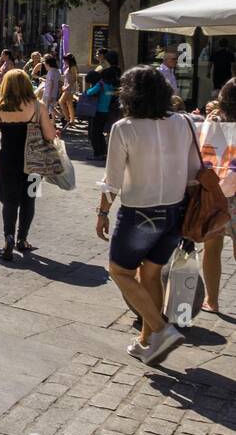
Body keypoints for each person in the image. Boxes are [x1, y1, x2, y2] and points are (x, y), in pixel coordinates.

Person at [97, 66, 198, 364]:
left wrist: (102, 211)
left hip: (139, 212)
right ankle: (148, 342)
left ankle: (162, 329)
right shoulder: (184, 123)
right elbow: (194, 173)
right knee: (150, 273)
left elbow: (112, 180)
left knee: (119, 271)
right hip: (175, 211)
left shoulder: (124, 128)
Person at [0, 68, 57, 261]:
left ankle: (8, 236)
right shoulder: (38, 106)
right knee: (30, 199)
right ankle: (23, 239)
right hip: (35, 161)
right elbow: (50, 135)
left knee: (9, 201)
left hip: (8, 160)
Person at [200, 78, 236, 314]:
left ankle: (211, 300)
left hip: (216, 190)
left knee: (212, 246)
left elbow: (204, 148)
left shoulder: (213, 118)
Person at [86, 49, 122, 160]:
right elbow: (114, 91)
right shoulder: (117, 75)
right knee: (102, 131)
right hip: (110, 107)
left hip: (98, 108)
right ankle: (104, 152)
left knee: (95, 132)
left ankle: (99, 153)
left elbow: (90, 92)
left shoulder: (102, 81)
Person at [59, 54, 80, 126]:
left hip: (69, 88)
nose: (64, 61)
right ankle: (72, 121)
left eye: (65, 59)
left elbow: (74, 79)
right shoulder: (69, 67)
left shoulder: (72, 67)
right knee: (69, 104)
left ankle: (67, 119)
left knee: (61, 102)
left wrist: (66, 87)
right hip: (68, 87)